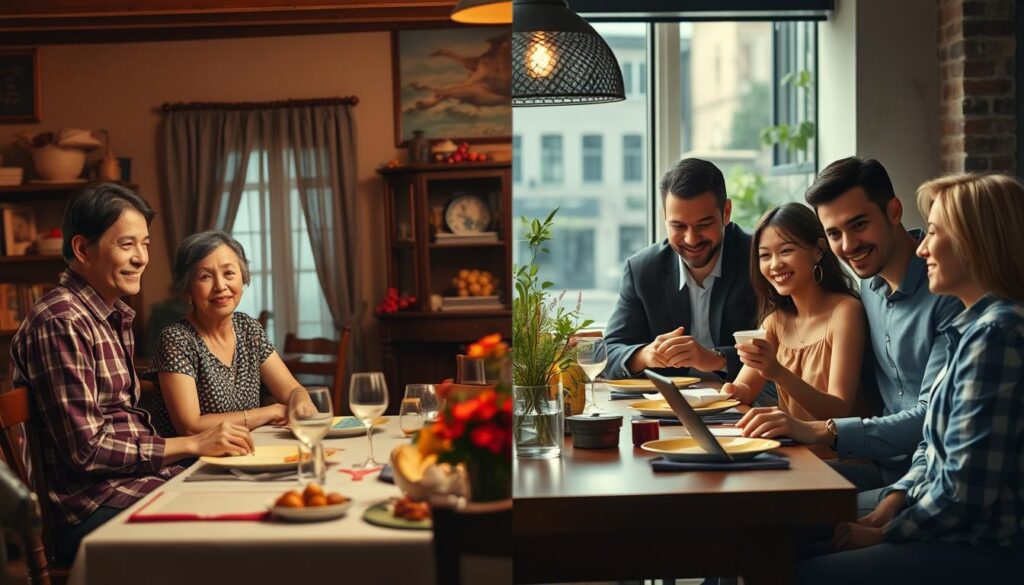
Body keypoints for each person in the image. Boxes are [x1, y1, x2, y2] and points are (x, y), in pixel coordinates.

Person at [795, 173, 1024, 584]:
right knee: (775, 544)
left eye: (933, 233)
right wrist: (894, 502)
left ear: (975, 242)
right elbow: (934, 445)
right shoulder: (971, 329)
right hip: (929, 509)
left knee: (793, 569)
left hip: (978, 544)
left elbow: (965, 495)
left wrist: (887, 531)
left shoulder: (997, 335)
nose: (922, 248)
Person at [9, 183, 253, 564]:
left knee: (248, 488)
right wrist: (192, 443)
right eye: (127, 245)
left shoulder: (106, 314)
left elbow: (120, 413)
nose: (141, 258)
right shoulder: (63, 321)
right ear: (82, 249)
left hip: (127, 482)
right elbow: (86, 451)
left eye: (146, 244)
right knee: (229, 532)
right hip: (90, 506)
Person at [736, 158, 962, 510]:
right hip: (878, 465)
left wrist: (822, 431)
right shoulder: (869, 286)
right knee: (746, 494)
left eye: (858, 225)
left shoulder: (947, 294)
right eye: (834, 233)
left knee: (772, 517)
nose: (848, 245)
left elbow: (930, 415)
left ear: (894, 211)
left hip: (918, 473)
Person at [604, 158, 762, 386]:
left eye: (703, 224)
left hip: (747, 402)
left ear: (726, 212)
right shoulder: (642, 270)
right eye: (678, 226)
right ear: (664, 218)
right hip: (668, 407)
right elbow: (609, 353)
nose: (691, 239)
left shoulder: (759, 260)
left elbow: (783, 346)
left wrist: (717, 359)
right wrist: (645, 355)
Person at [725, 203, 866, 438]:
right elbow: (746, 389)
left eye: (786, 251)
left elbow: (840, 412)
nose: (775, 264)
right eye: (765, 256)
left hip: (840, 459)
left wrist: (778, 372)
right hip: (794, 454)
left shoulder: (845, 311)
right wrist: (730, 390)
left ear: (818, 250)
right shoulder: (776, 322)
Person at [145, 230, 303, 437]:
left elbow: (291, 390)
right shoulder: (176, 339)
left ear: (243, 278)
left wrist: (301, 403)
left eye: (229, 273)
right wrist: (270, 411)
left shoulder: (249, 329)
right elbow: (190, 425)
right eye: (205, 277)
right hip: (193, 462)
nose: (220, 286)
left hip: (245, 453)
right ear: (187, 289)